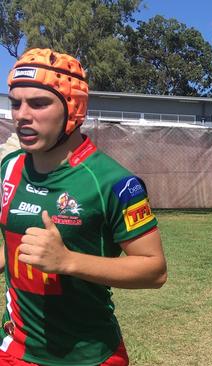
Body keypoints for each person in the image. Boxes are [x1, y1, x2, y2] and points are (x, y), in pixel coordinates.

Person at [0, 48, 167, 366]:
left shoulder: (114, 182)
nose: (21, 114)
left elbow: (154, 270)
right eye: (15, 103)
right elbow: (12, 244)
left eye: (38, 103)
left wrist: (67, 261)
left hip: (89, 354)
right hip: (15, 349)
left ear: (73, 108)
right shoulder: (8, 168)